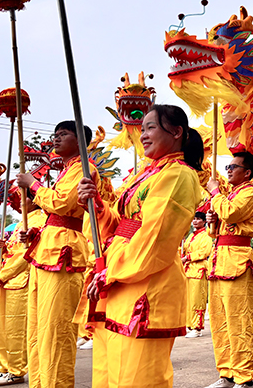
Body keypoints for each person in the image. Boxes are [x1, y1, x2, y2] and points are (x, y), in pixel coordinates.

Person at [78, 104, 204, 388]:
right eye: (143, 128)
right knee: (108, 376)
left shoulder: (179, 175)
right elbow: (121, 225)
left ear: (176, 132)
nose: (143, 135)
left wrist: (109, 274)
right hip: (118, 282)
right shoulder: (146, 174)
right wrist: (96, 205)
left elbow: (155, 239)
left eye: (151, 127)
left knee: (137, 378)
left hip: (145, 285)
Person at [16, 121, 97, 388]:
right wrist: (35, 232)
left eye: (64, 134)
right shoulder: (65, 171)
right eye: (56, 134)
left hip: (64, 253)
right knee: (37, 328)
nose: (57, 138)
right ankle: (39, 383)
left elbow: (64, 204)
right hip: (47, 250)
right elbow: (55, 213)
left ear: (81, 142)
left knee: (56, 329)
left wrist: (35, 186)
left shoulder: (85, 169)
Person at [203, 151, 253, 388]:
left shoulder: (250, 192)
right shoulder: (230, 195)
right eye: (227, 166)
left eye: (233, 167)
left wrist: (215, 193)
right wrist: (212, 221)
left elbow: (231, 213)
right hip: (219, 260)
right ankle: (226, 372)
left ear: (247, 172)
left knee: (238, 321)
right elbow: (217, 230)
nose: (228, 170)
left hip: (237, 261)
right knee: (219, 322)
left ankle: (244, 376)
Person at [0, 188, 46, 386]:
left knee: (16, 329)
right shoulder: (22, 221)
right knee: (4, 328)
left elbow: (25, 255)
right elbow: (14, 251)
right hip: (9, 281)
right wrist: (4, 248)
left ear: (34, 200)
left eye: (24, 198)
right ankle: (4, 366)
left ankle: (16, 370)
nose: (19, 202)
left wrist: (3, 274)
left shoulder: (36, 221)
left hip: (20, 280)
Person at [182, 211, 212, 338]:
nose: (195, 221)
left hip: (199, 270)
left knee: (197, 300)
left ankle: (197, 327)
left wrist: (188, 257)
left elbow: (204, 252)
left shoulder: (206, 235)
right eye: (194, 219)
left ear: (204, 221)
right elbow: (184, 249)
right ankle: (189, 325)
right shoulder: (190, 236)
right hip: (188, 270)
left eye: (198, 219)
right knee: (188, 301)